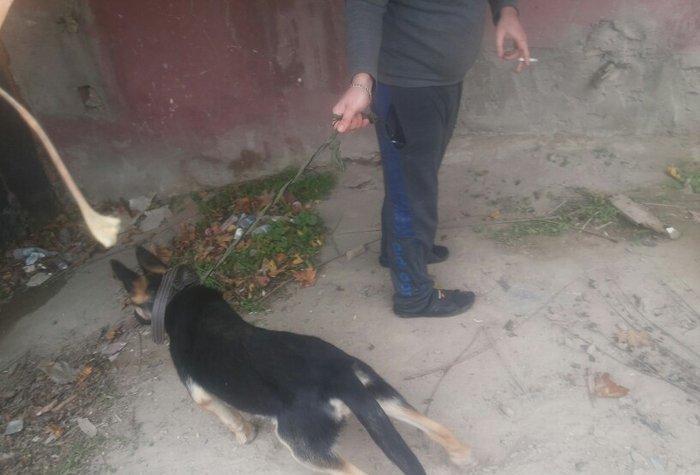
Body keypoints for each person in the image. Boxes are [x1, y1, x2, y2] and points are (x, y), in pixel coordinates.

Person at [333, 1, 530, 318]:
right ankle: (413, 295)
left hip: (445, 80)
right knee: (412, 191)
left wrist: (506, 11)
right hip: (406, 84)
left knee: (415, 177)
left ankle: (397, 252)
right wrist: (362, 81)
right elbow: (364, 7)